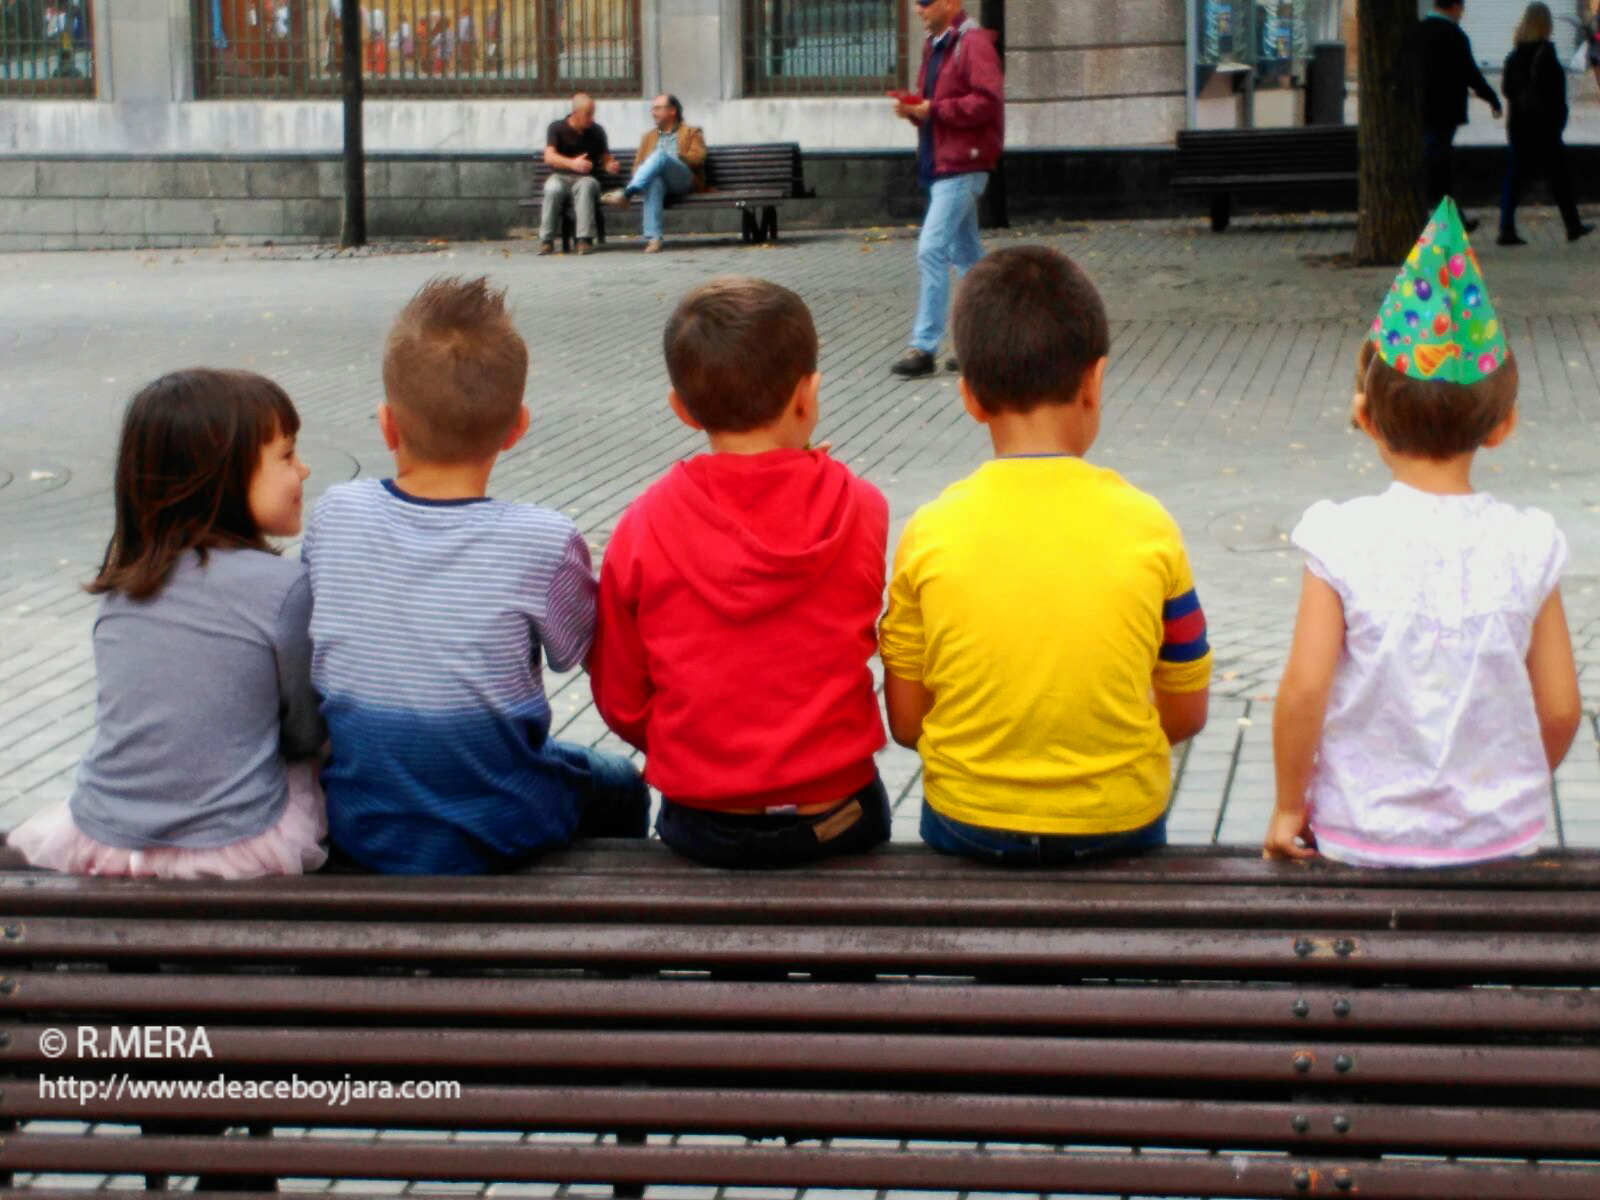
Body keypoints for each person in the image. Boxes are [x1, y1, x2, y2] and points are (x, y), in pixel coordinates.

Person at [1266, 199, 1581, 867]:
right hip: (1497, 843)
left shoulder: (1340, 541)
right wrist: (1509, 793)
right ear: (1502, 426)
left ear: (1366, 418)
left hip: (1364, 840)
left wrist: (1291, 804)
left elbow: (1303, 691)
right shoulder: (1531, 545)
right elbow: (1558, 709)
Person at [301, 276, 649, 874]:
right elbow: (577, 652)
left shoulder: (335, 514)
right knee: (621, 783)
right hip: (505, 825)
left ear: (387, 426)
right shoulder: (543, 538)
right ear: (517, 427)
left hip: (364, 823)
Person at [880, 246, 1212, 865]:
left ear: (970, 397)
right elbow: (1187, 712)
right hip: (1117, 824)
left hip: (969, 823)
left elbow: (905, 723)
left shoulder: (929, 533)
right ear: (1094, 381)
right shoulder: (1150, 527)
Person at [590, 277, 891, 869]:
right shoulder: (862, 507)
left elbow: (621, 696)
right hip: (840, 820)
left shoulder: (644, 522)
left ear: (681, 408)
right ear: (807, 396)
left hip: (708, 825)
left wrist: (702, 745)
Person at [6, 370, 327, 879]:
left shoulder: (123, 586)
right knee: (319, 770)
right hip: (234, 845)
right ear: (222, 477)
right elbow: (304, 732)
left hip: (104, 837)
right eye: (287, 456)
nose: (304, 470)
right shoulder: (284, 589)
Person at [887, 0, 1004, 379]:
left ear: (950, 2)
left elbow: (987, 102)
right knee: (968, 257)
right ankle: (984, 343)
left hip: (962, 165)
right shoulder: (937, 44)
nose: (917, 8)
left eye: (925, 1)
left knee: (933, 248)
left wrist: (931, 110)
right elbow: (937, 107)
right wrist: (916, 111)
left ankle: (924, 346)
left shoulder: (972, 43)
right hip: (946, 164)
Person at [1497, 3, 1594, 245]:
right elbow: (1556, 95)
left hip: (1519, 129)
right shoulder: (1547, 56)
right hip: (1545, 129)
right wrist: (1558, 121)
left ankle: (1505, 229)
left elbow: (1507, 90)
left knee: (1514, 180)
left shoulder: (1514, 55)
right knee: (1559, 179)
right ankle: (1573, 226)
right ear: (1545, 26)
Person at [1417, 0, 1502, 232]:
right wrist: (1492, 98)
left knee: (1436, 164)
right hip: (1446, 112)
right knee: (1435, 165)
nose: (1462, 15)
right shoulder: (1454, 36)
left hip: (1421, 110)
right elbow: (1471, 74)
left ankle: (1453, 218)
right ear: (1453, 7)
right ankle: (1435, 217)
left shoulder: (1418, 32)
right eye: (1461, 9)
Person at [601, 94, 707, 254]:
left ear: (672, 111)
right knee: (655, 181)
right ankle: (654, 239)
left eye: (657, 108)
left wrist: (670, 160)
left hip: (684, 179)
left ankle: (627, 193)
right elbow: (637, 167)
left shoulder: (692, 132)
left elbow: (698, 158)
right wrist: (655, 168)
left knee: (660, 155)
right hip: (660, 183)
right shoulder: (648, 137)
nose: (653, 113)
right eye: (653, 109)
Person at [541, 93, 620, 257]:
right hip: (560, 176)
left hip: (586, 178)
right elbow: (549, 157)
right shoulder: (556, 128)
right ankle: (546, 240)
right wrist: (572, 164)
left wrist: (610, 165)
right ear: (575, 113)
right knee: (552, 189)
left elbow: (605, 157)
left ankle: (584, 239)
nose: (591, 119)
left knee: (586, 187)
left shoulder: (597, 131)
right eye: (588, 114)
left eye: (593, 114)